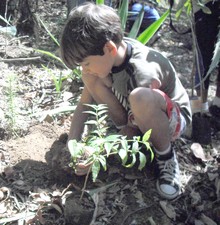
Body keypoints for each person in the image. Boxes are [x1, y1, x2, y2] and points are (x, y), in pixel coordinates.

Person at [60, 2, 191, 200]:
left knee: (140, 98)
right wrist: (73, 144)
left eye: (86, 63)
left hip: (170, 119)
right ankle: (121, 128)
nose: (84, 68)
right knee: (91, 78)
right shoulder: (109, 57)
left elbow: (133, 129)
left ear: (109, 48)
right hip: (134, 115)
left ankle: (165, 157)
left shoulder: (143, 71)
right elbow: (84, 105)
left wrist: (97, 155)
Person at [193, 0, 220, 117]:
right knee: (202, 62)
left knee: (203, 61)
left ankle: (217, 105)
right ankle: (200, 110)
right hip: (204, 9)